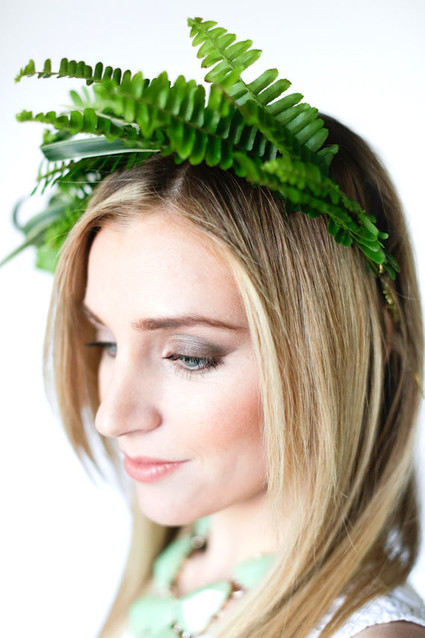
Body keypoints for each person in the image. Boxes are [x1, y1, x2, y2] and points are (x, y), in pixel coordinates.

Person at [5, 17, 425, 638]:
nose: (112, 416)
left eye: (189, 356)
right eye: (108, 343)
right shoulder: (171, 577)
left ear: (352, 346)